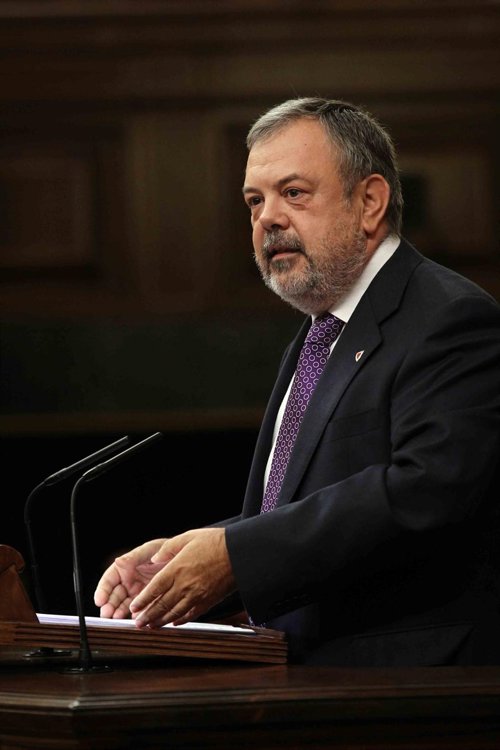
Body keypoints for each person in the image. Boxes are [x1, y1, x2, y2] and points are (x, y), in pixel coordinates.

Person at [94, 97, 500, 667]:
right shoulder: (319, 334)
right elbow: (301, 508)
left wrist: (235, 556)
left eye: (293, 193)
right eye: (254, 201)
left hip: (411, 686)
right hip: (316, 681)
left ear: (370, 202)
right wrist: (191, 557)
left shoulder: (449, 317)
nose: (268, 218)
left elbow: (426, 492)